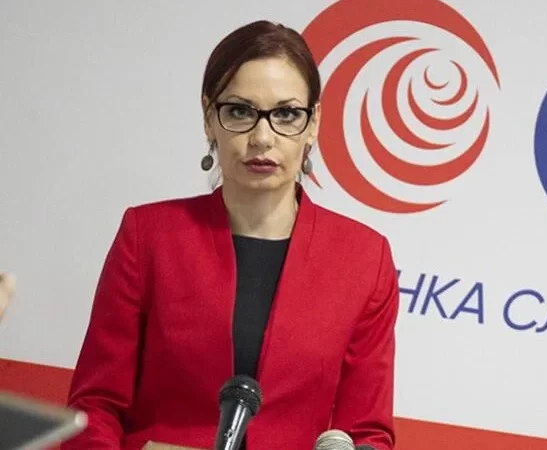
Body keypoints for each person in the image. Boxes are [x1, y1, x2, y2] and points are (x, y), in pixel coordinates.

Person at [62, 20, 399, 450]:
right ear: (209, 118)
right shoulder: (148, 237)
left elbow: (367, 432)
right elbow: (96, 407)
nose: (262, 138)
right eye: (240, 111)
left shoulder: (364, 258)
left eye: (286, 114)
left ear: (313, 122)